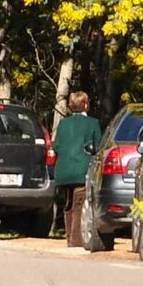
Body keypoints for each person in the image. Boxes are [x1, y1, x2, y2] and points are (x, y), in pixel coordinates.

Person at [51, 87, 103, 250]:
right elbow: (98, 147)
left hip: (64, 171)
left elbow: (57, 146)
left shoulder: (63, 124)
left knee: (68, 205)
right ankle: (76, 241)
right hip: (82, 170)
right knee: (79, 205)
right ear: (86, 105)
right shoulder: (93, 123)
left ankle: (69, 238)